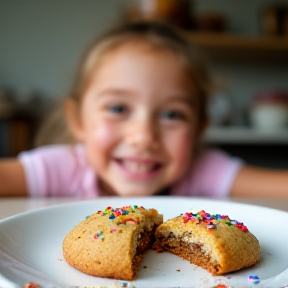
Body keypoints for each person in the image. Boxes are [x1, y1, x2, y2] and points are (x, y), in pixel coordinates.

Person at [0, 20, 287, 198]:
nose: (143, 136)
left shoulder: (199, 170)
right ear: (77, 120)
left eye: (172, 114)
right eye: (118, 108)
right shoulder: (64, 169)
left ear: (199, 128)